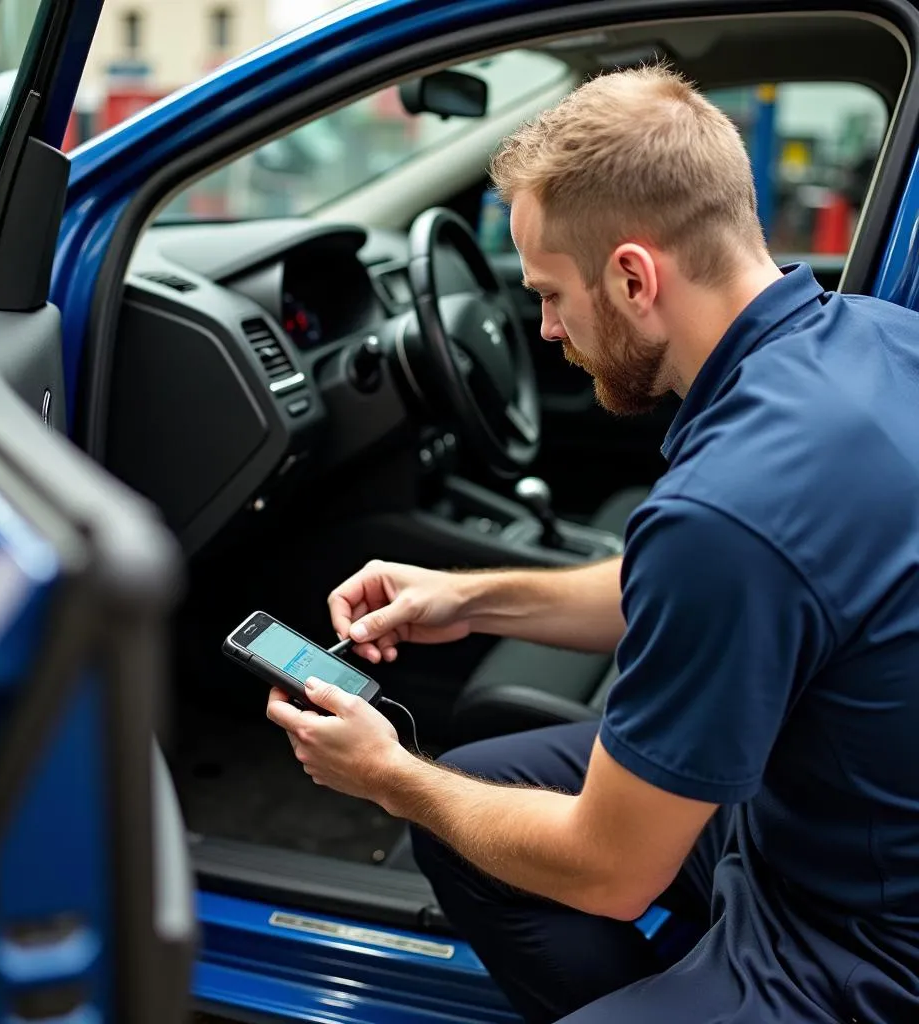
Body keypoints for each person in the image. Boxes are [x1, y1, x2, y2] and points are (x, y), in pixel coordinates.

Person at [265, 65, 919, 1023]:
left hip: (859, 946)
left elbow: (609, 870)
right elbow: (703, 582)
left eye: (551, 293)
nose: (544, 327)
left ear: (632, 275)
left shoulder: (726, 511)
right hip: (826, 812)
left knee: (446, 801)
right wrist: (469, 597)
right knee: (477, 799)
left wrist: (389, 777)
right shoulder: (876, 339)